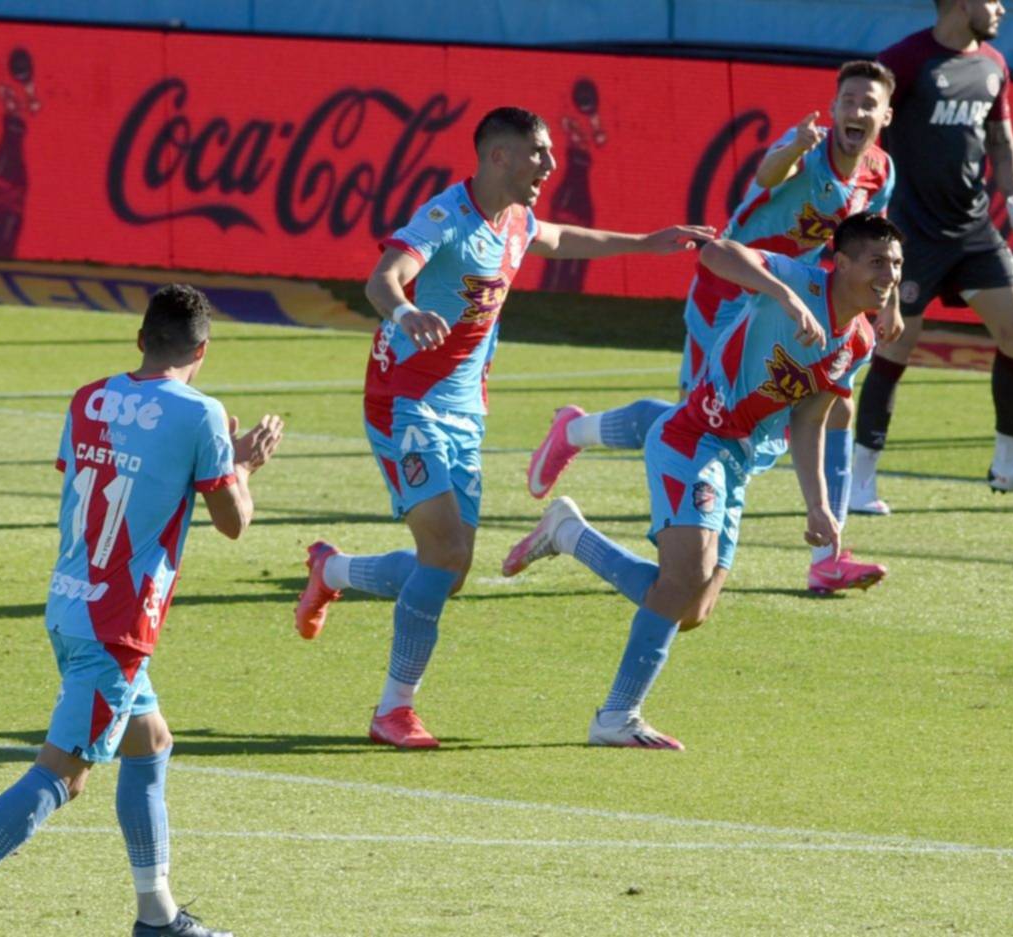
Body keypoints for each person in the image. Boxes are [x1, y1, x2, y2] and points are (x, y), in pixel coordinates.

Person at [291, 106, 714, 750]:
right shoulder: (446, 217)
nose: (550, 163)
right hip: (406, 402)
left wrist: (644, 242)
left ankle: (335, 571)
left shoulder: (515, 219)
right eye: (538, 152)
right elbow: (384, 278)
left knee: (449, 570)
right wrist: (405, 314)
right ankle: (392, 711)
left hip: (464, 409)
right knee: (445, 556)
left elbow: (561, 238)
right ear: (498, 157)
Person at [0, 285, 284, 937]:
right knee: (63, 775)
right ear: (203, 351)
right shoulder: (202, 415)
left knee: (150, 741)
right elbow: (233, 521)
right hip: (118, 625)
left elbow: (102, 483)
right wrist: (242, 466)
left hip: (70, 600)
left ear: (141, 339)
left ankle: (157, 914)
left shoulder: (89, 398)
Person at [502, 212, 904, 749]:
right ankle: (616, 716)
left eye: (896, 264)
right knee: (682, 579)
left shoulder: (858, 341)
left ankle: (568, 534)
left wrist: (817, 504)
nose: (889, 274)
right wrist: (782, 294)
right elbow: (716, 253)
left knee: (690, 610)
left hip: (738, 463)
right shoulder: (799, 280)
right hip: (694, 438)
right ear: (843, 263)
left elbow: (810, 419)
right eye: (878, 262)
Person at [525, 60, 899, 594]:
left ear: (886, 116)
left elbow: (873, 237)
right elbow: (768, 174)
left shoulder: (880, 170)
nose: (856, 110)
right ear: (834, 107)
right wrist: (794, 146)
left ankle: (828, 556)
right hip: (731, 285)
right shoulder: (807, 149)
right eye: (848, 100)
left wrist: (888, 303)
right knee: (696, 417)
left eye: (868, 103)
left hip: (795, 294)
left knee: (835, 405)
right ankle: (574, 432)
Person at [851, 0, 1013, 515]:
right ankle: (859, 480)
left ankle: (1008, 462)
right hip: (911, 232)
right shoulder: (902, 61)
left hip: (971, 228)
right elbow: (863, 129)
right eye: (992, 0)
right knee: (895, 345)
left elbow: (1001, 140)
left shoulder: (993, 64)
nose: (1001, 8)